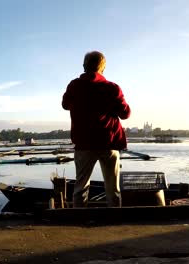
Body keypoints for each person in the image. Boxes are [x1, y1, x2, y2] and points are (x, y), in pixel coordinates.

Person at [62, 51, 131, 207]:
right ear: (103, 68)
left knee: (80, 187)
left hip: (84, 143)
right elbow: (125, 114)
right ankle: (114, 220)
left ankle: (79, 220)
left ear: (84, 66)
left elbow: (65, 105)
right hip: (109, 143)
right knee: (113, 188)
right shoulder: (112, 88)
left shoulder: (74, 85)